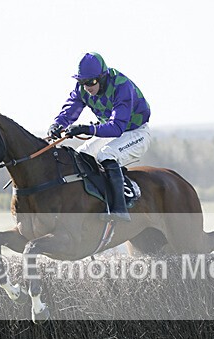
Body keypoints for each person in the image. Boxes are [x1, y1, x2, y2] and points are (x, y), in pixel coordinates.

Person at [48, 52, 151, 222]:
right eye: (82, 82)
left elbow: (117, 127)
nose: (87, 87)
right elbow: (70, 111)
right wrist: (57, 125)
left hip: (135, 132)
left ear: (102, 77)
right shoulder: (82, 89)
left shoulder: (121, 86)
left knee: (106, 155)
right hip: (109, 132)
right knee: (81, 156)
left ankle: (119, 209)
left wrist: (87, 129)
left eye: (91, 82)